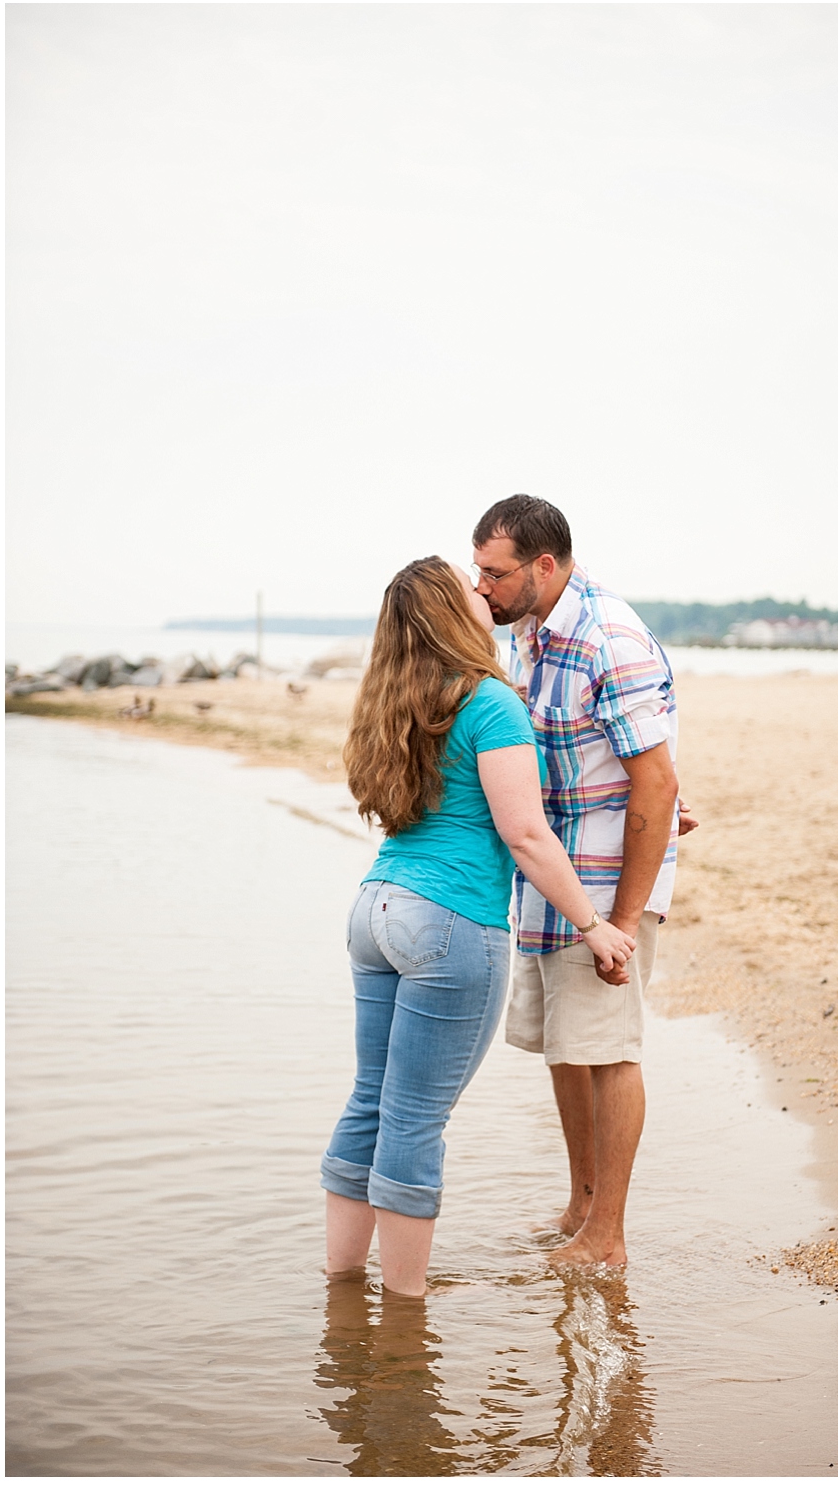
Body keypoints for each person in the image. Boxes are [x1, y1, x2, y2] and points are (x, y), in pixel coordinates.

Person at [320, 555, 636, 1297]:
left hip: (376, 907)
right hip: (449, 921)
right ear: (451, 615)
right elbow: (525, 833)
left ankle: (340, 1288)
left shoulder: (393, 702)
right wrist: (594, 925)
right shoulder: (489, 702)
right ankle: (403, 1318)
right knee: (414, 1118)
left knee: (371, 1099)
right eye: (471, 587)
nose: (484, 591)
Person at [471, 496, 697, 1268]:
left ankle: (609, 1239)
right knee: (566, 1048)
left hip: (605, 883)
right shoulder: (529, 633)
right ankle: (582, 1205)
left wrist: (625, 921)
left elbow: (655, 782)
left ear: (545, 565)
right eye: (477, 570)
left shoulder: (611, 640)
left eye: (493, 573)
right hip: (549, 871)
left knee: (608, 1050)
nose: (481, 588)